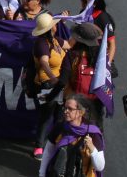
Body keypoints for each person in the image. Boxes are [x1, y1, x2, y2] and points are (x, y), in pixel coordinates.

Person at [38, 95, 106, 177]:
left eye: (70, 109)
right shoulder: (60, 126)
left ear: (81, 112)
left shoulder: (93, 133)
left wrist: (92, 148)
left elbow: (100, 167)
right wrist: (42, 174)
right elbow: (48, 152)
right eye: (65, 108)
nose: (65, 111)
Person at [30, 12, 66, 158]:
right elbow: (44, 62)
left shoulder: (56, 41)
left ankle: (53, 145)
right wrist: (53, 79)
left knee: (59, 116)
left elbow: (70, 44)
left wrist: (80, 32)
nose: (56, 26)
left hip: (58, 85)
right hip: (47, 85)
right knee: (46, 116)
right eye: (54, 25)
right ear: (51, 28)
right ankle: (39, 147)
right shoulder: (41, 44)